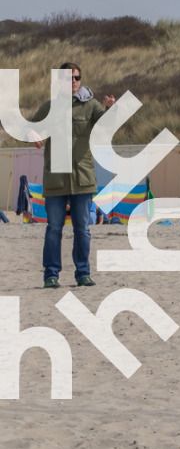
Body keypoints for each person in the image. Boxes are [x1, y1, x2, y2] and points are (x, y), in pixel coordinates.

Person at [26, 63, 111, 289]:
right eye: (68, 78)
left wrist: (110, 109)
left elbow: (107, 126)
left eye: (76, 77)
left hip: (83, 180)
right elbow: (31, 128)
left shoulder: (91, 106)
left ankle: (83, 273)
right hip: (56, 180)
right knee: (54, 229)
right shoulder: (49, 108)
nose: (73, 82)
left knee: (82, 229)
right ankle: (51, 275)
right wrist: (33, 134)